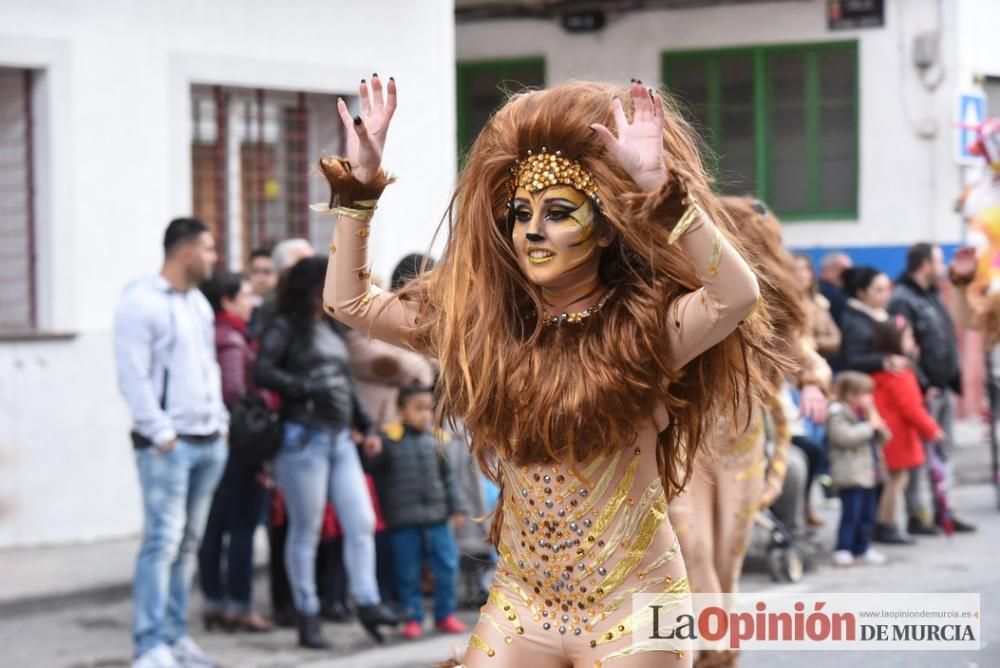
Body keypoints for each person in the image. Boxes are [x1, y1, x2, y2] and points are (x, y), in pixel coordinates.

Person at [320, 75, 778, 667]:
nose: (532, 229)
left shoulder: (643, 334)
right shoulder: (485, 333)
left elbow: (735, 297)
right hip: (521, 605)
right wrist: (359, 195)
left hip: (631, 606)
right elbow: (348, 303)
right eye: (521, 214)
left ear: (606, 229)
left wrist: (669, 201)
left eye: (559, 212)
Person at [253, 256, 399, 649]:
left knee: (362, 522)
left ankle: (367, 601)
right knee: (307, 530)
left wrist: (365, 425)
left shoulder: (330, 327)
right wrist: (305, 387)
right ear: (311, 286)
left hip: (337, 438)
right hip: (303, 438)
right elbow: (261, 372)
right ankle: (307, 612)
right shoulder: (284, 327)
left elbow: (346, 382)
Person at [114, 218, 229, 668]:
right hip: (169, 446)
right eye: (208, 248)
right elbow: (132, 374)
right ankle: (149, 645)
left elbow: (209, 366)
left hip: (207, 441)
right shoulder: (141, 302)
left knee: (187, 545)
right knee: (161, 542)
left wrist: (219, 421)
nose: (213, 258)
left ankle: (175, 637)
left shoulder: (197, 303)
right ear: (185, 252)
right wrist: (160, 432)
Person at [196, 270, 273, 633]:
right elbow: (233, 393)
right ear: (226, 302)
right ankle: (238, 606)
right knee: (240, 527)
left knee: (214, 527)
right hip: (239, 448)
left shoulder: (216, 333)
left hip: (219, 443)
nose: (251, 301)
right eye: (244, 294)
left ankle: (214, 601)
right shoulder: (231, 340)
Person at [366, 382, 469, 639]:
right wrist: (369, 450)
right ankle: (412, 617)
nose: (426, 414)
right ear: (401, 411)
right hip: (403, 520)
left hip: (437, 517)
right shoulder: (388, 440)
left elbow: (448, 479)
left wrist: (456, 508)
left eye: (429, 409)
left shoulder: (436, 441)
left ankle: (445, 614)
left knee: (447, 566)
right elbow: (372, 466)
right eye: (418, 408)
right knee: (407, 572)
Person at [889, 243, 976, 534]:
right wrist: (924, 384)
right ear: (925, 265)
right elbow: (904, 347)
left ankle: (944, 511)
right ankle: (918, 515)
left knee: (944, 453)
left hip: (944, 387)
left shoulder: (933, 294)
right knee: (919, 456)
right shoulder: (902, 299)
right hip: (925, 391)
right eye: (939, 262)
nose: (942, 267)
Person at [869, 317, 944, 545]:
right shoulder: (900, 372)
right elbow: (912, 408)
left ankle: (884, 523)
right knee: (896, 481)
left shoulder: (885, 369)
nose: (913, 341)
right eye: (908, 337)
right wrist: (933, 430)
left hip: (889, 433)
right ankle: (887, 524)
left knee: (892, 481)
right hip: (898, 435)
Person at [827, 372, 889, 567]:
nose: (869, 399)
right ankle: (843, 548)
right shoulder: (837, 413)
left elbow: (885, 438)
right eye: (865, 394)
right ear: (850, 395)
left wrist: (876, 423)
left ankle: (862, 547)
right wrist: (869, 427)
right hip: (851, 474)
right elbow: (843, 437)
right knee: (851, 513)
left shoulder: (865, 414)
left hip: (869, 473)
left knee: (867, 514)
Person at [839, 266, 909, 375]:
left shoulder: (883, 314)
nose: (886, 295)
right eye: (879, 290)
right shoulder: (855, 322)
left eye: (888, 289)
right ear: (861, 293)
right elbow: (852, 360)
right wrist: (884, 360)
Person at [793, 253, 841, 359]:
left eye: (807, 269)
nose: (803, 274)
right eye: (797, 270)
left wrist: (815, 342)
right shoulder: (784, 304)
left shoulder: (819, 302)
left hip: (820, 361)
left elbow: (836, 339)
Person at [818, 251, 853, 328]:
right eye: (845, 270)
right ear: (828, 270)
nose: (848, 275)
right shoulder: (818, 292)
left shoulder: (845, 291)